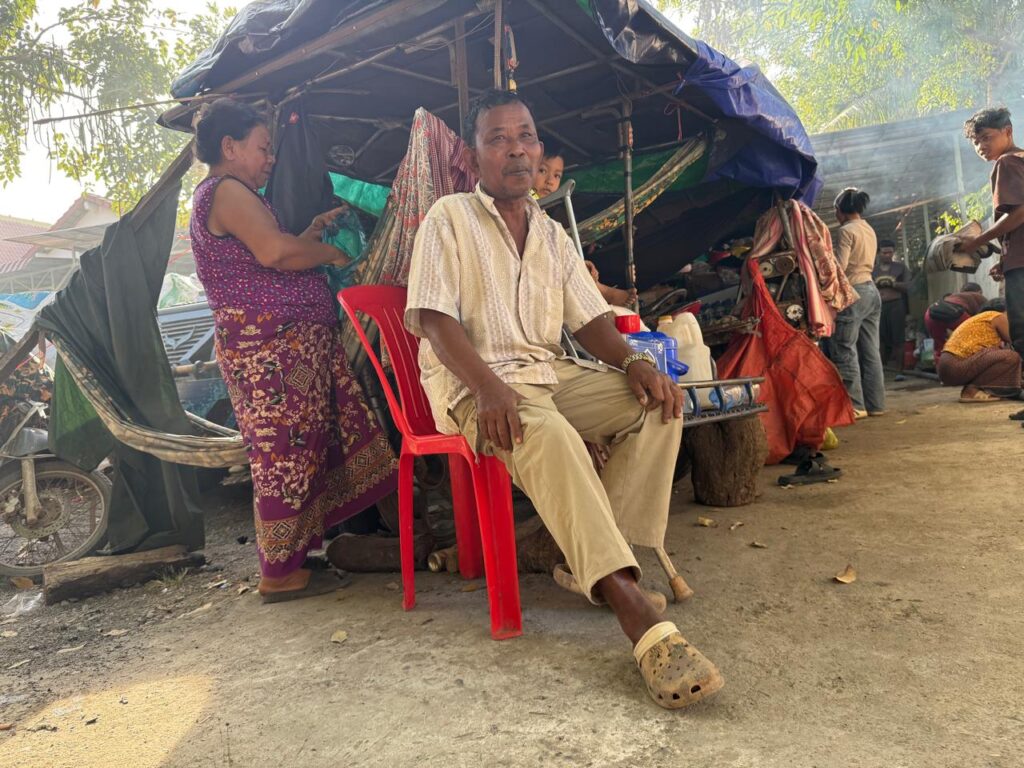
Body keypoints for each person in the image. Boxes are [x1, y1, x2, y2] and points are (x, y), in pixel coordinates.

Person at [406, 89, 722, 710]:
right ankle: (640, 621)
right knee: (545, 433)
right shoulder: (450, 217)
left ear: (541, 150)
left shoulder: (552, 235)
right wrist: (489, 387)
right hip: (477, 386)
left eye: (525, 136)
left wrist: (633, 360)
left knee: (659, 402)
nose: (515, 149)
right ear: (474, 158)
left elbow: (591, 322)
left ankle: (595, 563)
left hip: (544, 376)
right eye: (498, 139)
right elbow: (437, 323)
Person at [188, 99, 398, 603]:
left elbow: (271, 251)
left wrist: (307, 234)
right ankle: (278, 572)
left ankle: (294, 557)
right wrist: (329, 253)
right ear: (229, 147)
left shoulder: (232, 195)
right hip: (271, 355)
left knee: (299, 451)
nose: (271, 159)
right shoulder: (227, 190)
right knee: (282, 456)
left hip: (287, 351)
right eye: (263, 148)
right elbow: (275, 254)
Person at [959, 107, 1024, 420]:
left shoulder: (1008, 162)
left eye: (987, 138)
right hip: (1018, 258)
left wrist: (978, 241)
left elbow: (1020, 213)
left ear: (1008, 132)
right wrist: (1003, 257)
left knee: (1021, 330)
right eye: (976, 141)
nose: (981, 146)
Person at [830, 187, 886, 419]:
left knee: (845, 349)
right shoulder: (868, 228)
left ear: (839, 210)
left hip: (853, 292)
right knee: (871, 351)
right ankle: (876, 405)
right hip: (872, 291)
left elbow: (840, 267)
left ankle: (856, 405)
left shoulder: (845, 231)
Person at [937, 311, 1021, 402]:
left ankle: (976, 389)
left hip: (947, 367)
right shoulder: (998, 317)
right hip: (954, 365)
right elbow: (1019, 344)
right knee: (1010, 356)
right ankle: (972, 390)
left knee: (1003, 355)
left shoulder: (984, 319)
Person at [924, 283, 987, 360]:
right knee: (976, 339)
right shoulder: (981, 299)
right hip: (953, 312)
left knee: (941, 347)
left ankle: (943, 369)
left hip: (930, 313)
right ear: (980, 292)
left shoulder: (955, 296)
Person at [872, 239, 908, 372]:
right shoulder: (872, 270)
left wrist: (893, 284)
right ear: (879, 253)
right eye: (884, 252)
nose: (887, 255)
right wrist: (877, 284)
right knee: (879, 337)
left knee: (898, 337)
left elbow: (909, 286)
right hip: (878, 306)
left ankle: (900, 369)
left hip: (896, 305)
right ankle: (881, 369)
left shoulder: (900, 268)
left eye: (890, 253)